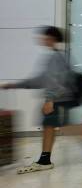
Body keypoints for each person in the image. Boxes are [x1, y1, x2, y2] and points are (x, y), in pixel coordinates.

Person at [0, 26, 75, 174]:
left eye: (45, 37)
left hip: (58, 98)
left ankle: (45, 160)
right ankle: (45, 159)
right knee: (50, 126)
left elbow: (55, 80)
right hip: (60, 97)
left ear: (52, 39)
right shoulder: (56, 56)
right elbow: (41, 80)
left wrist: (49, 100)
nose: (42, 39)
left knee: (49, 126)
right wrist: (15, 85)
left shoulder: (55, 57)